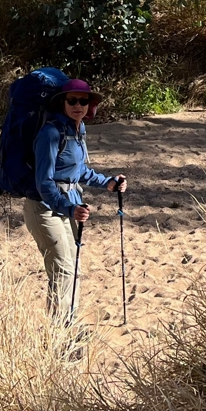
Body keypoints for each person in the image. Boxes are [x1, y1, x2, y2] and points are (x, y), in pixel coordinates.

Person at [24, 78, 127, 320]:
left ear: (90, 104)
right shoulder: (50, 133)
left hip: (68, 204)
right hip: (44, 208)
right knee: (63, 269)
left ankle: (69, 324)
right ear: (62, 103)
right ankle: (60, 335)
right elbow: (44, 182)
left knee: (74, 267)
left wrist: (108, 182)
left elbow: (78, 171)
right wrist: (68, 208)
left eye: (83, 100)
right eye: (72, 100)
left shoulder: (77, 130)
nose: (78, 105)